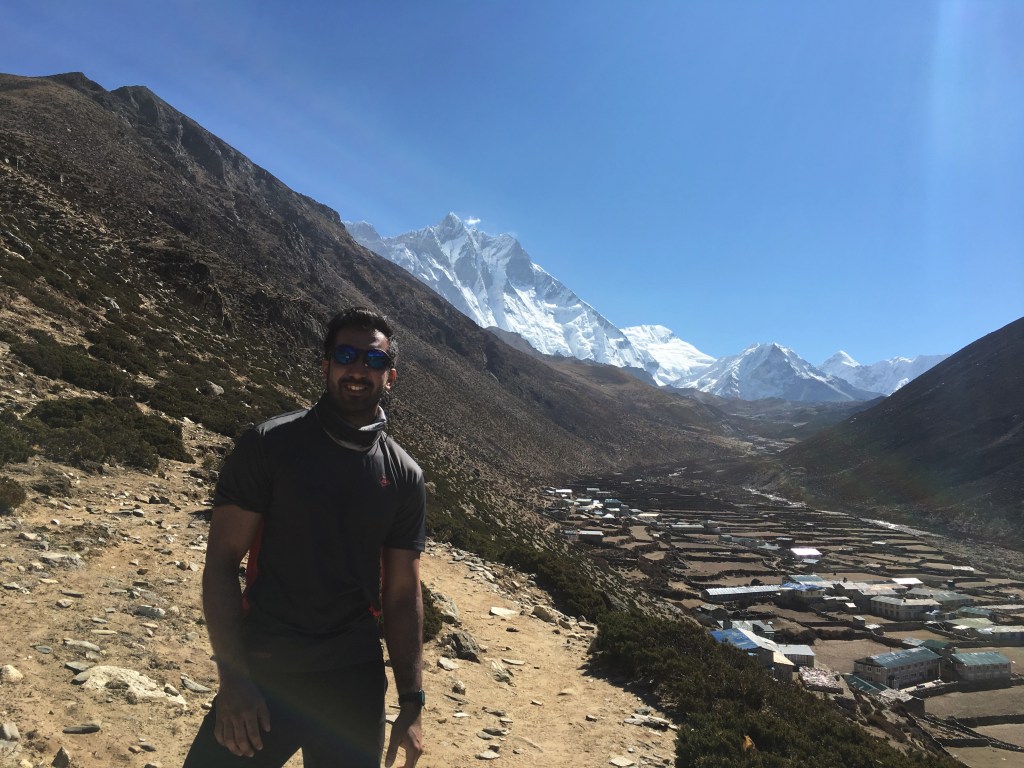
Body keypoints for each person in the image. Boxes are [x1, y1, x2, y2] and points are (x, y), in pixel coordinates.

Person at [183, 307, 426, 768]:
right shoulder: (269, 446)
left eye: (372, 361)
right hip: (268, 669)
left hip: (354, 681)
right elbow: (221, 563)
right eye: (346, 355)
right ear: (326, 365)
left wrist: (412, 702)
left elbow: (401, 593)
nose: (358, 369)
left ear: (390, 376)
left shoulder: (404, 475)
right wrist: (233, 681)